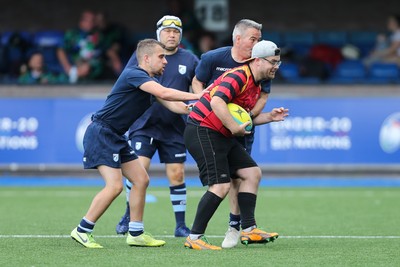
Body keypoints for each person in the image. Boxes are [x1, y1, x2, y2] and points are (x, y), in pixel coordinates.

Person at [70, 38, 203, 249]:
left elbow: (173, 104)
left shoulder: (151, 82)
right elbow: (165, 93)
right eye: (161, 57)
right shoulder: (134, 73)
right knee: (114, 187)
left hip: (116, 136)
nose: (165, 61)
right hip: (102, 133)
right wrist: (199, 95)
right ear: (146, 58)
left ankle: (136, 232)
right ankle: (82, 230)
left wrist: (192, 107)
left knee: (141, 179)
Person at [183, 40, 288, 250]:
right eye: (273, 62)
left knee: (252, 173)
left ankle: (249, 230)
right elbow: (216, 102)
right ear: (258, 61)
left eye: (278, 62)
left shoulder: (256, 82)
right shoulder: (238, 75)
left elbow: (242, 117)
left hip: (220, 133)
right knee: (220, 186)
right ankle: (193, 238)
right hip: (202, 130)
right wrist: (234, 128)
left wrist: (268, 117)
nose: (276, 66)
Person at [115, 15, 199, 237]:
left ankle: (180, 225)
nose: (172, 35)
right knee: (137, 172)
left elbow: (199, 85)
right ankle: (128, 215)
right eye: (167, 30)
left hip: (175, 127)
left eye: (176, 31)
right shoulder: (142, 56)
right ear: (158, 33)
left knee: (177, 175)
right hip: (144, 124)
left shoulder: (190, 59)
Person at [56, 10, 108, 83]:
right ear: (81, 22)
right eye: (87, 21)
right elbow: (61, 50)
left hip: (94, 70)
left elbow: (103, 54)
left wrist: (88, 66)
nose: (90, 23)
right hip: (74, 67)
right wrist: (68, 68)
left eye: (93, 21)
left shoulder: (99, 36)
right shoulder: (72, 34)